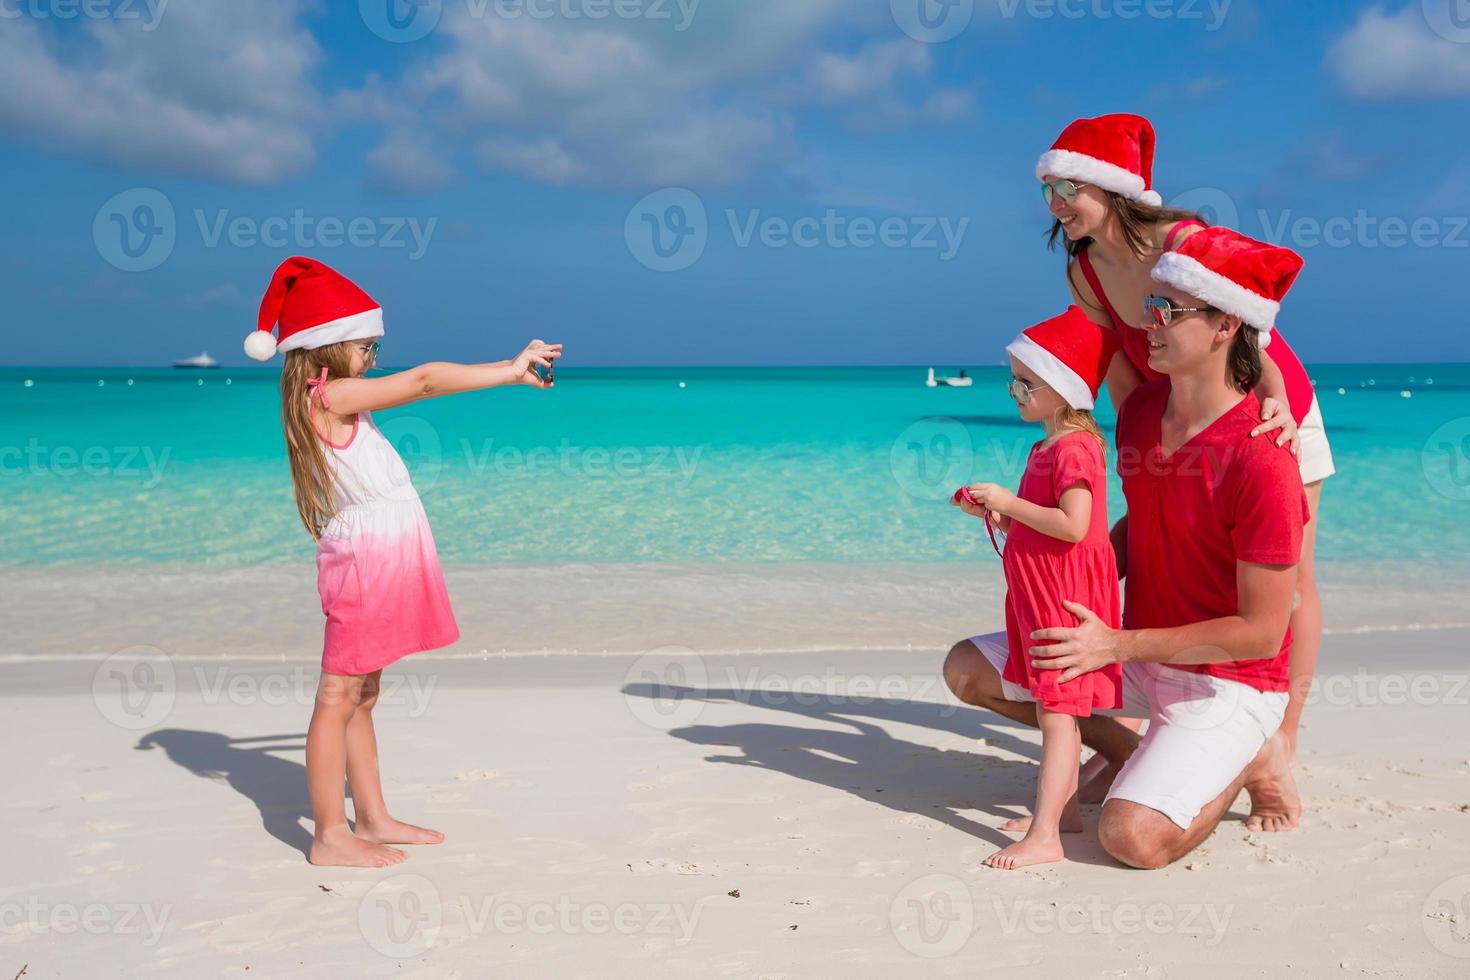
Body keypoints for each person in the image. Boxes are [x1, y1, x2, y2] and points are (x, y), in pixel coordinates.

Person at [945, 227, 1309, 868]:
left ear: (1226, 325)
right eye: (1150, 307)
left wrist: (1114, 645)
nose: (1150, 324)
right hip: (1138, 655)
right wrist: (1037, 543)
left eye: (1168, 310)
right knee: (968, 668)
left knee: (1132, 840)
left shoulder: (1263, 459)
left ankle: (1255, 754)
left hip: (1227, 681)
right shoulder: (1142, 413)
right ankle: (1126, 748)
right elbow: (1138, 527)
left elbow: (1261, 633)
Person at [1037, 112, 1333, 774]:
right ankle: (1160, 720)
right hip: (1176, 418)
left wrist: (1277, 413)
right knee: (1153, 549)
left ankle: (1280, 738)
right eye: (1047, 192)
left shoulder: (1182, 237)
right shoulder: (1084, 272)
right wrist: (1137, 456)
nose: (1057, 206)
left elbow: (1248, 326)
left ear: (1109, 188)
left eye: (1068, 190)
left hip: (1271, 407)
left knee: (1290, 580)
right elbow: (1119, 364)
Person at [244, 256, 563, 867]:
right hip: (364, 563)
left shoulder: (344, 400)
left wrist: (510, 371)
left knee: (364, 694)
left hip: (382, 556)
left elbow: (413, 382)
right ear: (328, 348)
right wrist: (506, 371)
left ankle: (372, 815)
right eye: (365, 345)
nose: (372, 357)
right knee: (337, 695)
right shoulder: (331, 395)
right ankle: (329, 834)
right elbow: (422, 382)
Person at [952, 307, 1122, 869]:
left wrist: (1009, 501)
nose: (1015, 391)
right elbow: (1045, 524)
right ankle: (1065, 815)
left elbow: (1075, 524)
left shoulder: (1074, 447)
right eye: (1014, 380)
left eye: (1028, 382)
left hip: (1063, 598)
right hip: (1039, 590)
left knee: (1057, 713)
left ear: (1064, 388)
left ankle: (1047, 834)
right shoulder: (1045, 446)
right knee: (1056, 710)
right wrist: (998, 515)